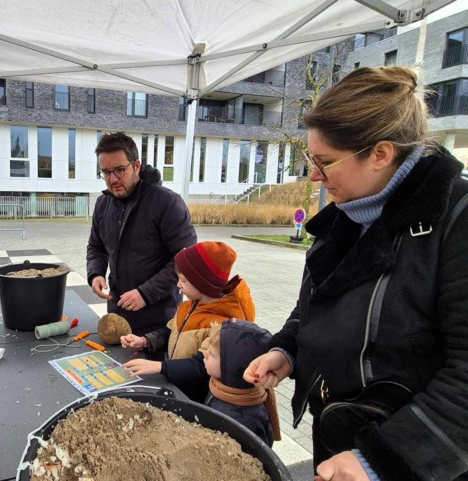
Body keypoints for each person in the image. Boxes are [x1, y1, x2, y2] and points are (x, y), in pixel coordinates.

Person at [243, 66, 468, 481]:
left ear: (381, 153)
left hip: (412, 458)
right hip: (340, 432)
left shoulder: (457, 219)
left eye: (324, 162)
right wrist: (287, 350)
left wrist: (381, 460)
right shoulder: (350, 212)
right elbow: (319, 301)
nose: (313, 175)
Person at [87, 132, 197, 342]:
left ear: (136, 166)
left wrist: (145, 293)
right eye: (106, 172)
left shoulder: (167, 203)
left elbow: (185, 260)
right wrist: (95, 273)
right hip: (118, 316)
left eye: (120, 170)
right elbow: (96, 247)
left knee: (152, 374)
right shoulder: (103, 204)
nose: (113, 179)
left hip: (160, 321)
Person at [121, 241, 255, 402]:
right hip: (175, 385)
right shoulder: (187, 306)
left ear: (202, 283)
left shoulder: (222, 324)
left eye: (183, 280)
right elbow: (170, 332)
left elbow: (200, 366)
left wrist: (159, 367)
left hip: (194, 396)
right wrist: (144, 341)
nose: (178, 285)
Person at [203, 319, 280, 447]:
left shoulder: (245, 418)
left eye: (211, 354)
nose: (205, 353)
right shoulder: (221, 387)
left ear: (229, 367)